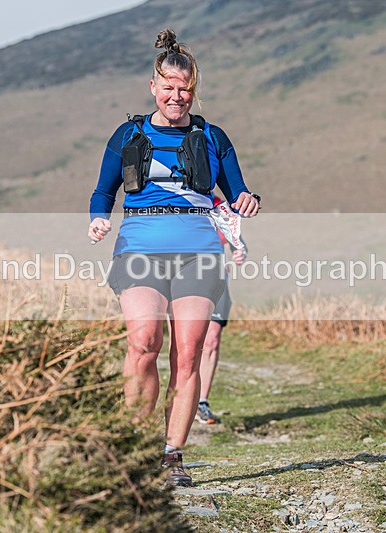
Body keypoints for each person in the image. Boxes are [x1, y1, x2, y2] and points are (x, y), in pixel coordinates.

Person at [88, 29, 260, 487]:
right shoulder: (129, 133)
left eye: (185, 90)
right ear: (153, 87)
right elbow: (104, 189)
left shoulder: (212, 136)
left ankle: (170, 456)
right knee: (144, 344)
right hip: (139, 249)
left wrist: (246, 200)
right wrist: (99, 218)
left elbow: (237, 188)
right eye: (168, 88)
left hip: (199, 253)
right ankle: (135, 444)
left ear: (193, 90)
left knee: (188, 357)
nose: (177, 97)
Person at [196, 196, 247, 425]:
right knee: (185, 342)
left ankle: (201, 402)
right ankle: (179, 399)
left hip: (216, 280)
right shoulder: (175, 199)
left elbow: (236, 236)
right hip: (180, 280)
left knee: (212, 339)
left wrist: (240, 250)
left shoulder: (218, 204)